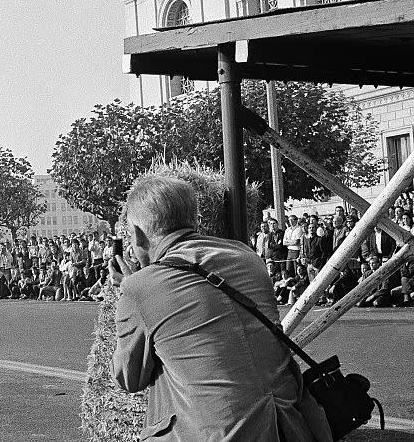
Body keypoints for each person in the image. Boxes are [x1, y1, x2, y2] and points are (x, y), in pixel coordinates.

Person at [110, 175, 331, 441]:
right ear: (194, 219)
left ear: (137, 234)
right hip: (289, 426)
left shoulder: (138, 288)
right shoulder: (248, 257)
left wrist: (128, 292)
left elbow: (129, 379)